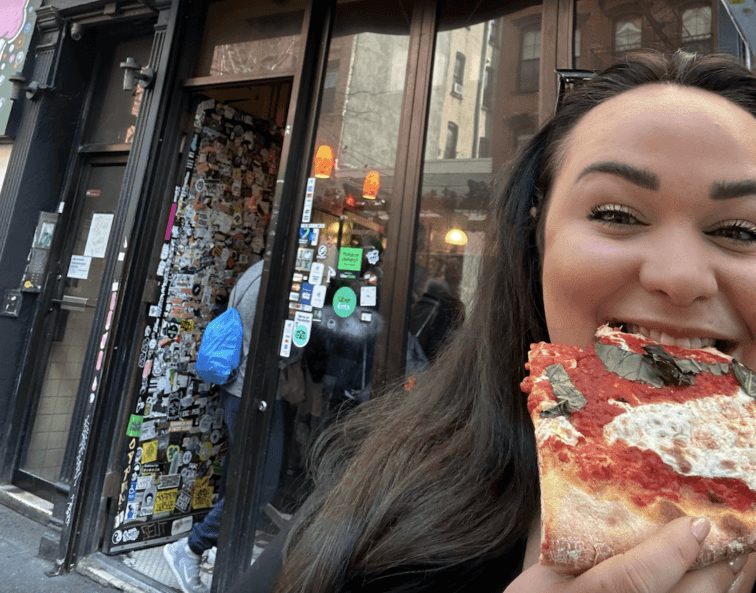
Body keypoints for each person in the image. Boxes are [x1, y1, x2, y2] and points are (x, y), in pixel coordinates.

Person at [239, 49, 756, 593]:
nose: (679, 277)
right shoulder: (382, 500)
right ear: (537, 244)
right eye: (615, 215)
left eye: (743, 231)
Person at [166, 257, 283, 593]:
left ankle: (220, 550)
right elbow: (277, 346)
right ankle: (190, 548)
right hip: (251, 394)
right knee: (259, 483)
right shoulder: (269, 282)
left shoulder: (258, 272)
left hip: (241, 391)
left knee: (242, 478)